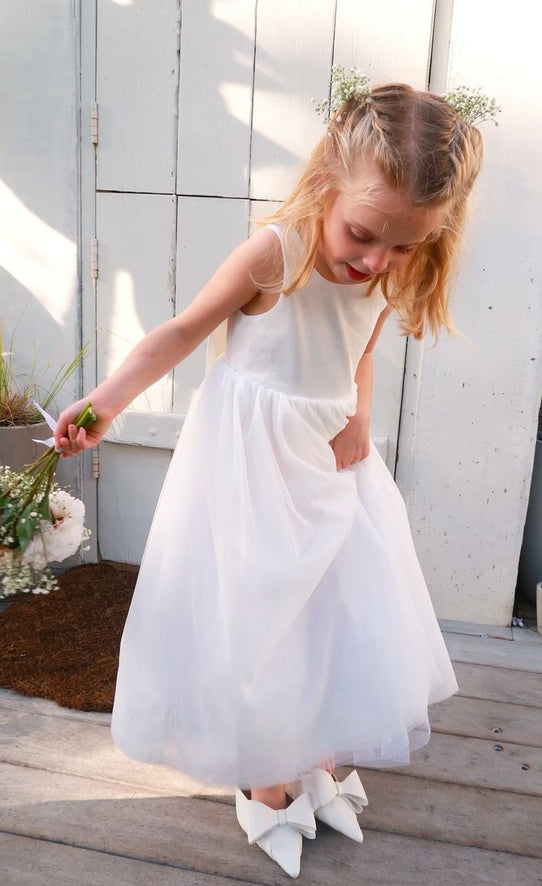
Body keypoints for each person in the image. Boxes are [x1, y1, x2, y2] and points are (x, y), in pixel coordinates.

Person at [55, 82, 484, 878]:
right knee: (257, 618)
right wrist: (106, 401)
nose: (374, 262)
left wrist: (358, 415)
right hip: (251, 465)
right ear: (328, 181)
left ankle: (313, 751)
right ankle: (264, 776)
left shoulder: (389, 262)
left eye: (402, 248)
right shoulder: (275, 255)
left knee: (331, 611)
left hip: (330, 460)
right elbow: (183, 330)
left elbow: (360, 347)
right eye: (363, 235)